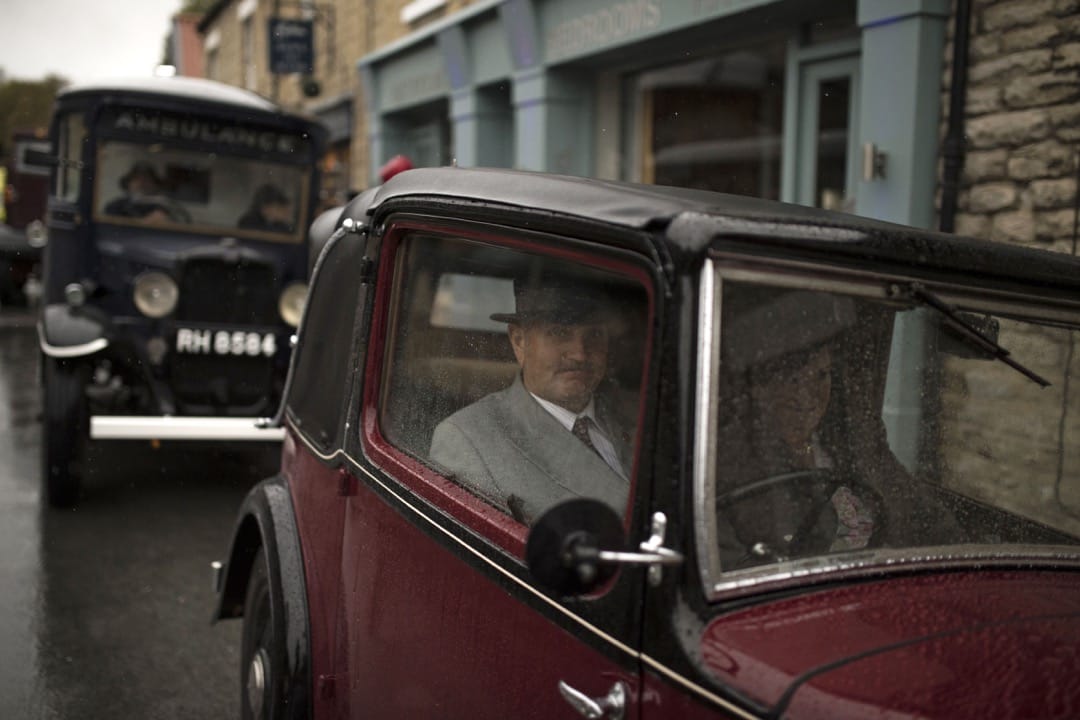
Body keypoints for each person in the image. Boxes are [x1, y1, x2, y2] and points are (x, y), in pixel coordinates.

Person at [428, 275, 635, 525]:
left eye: (594, 334)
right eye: (559, 333)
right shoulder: (469, 439)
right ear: (519, 341)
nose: (580, 353)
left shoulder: (639, 414)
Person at [104, 162, 172, 222]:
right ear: (128, 184)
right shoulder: (116, 206)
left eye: (147, 179)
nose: (142, 183)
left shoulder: (166, 206)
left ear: (155, 185)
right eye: (137, 178)